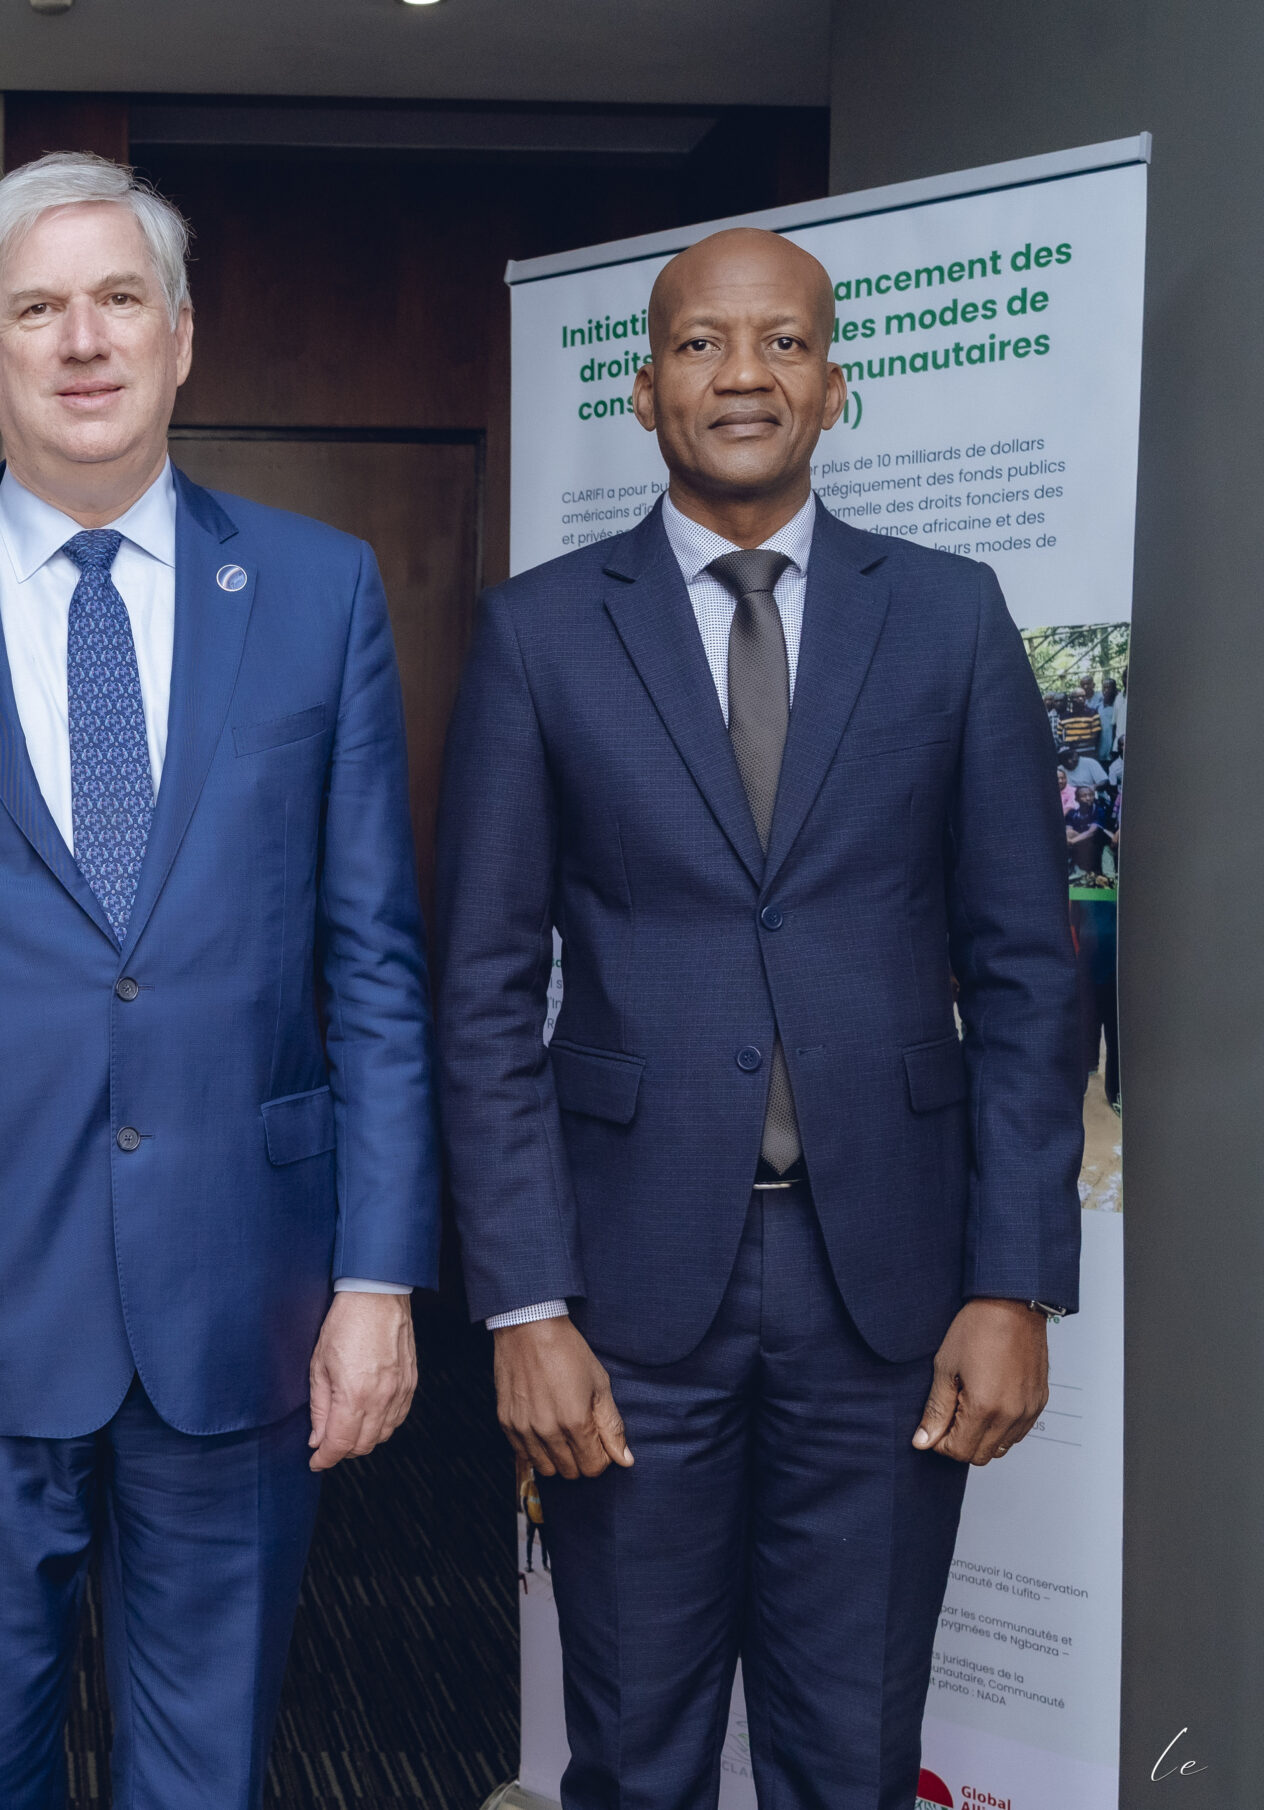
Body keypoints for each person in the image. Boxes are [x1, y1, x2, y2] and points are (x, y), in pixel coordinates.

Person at [0, 153, 437, 1807]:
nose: (83, 339)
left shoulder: (321, 590)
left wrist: (380, 1277)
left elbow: (374, 966)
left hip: (246, 1299)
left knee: (208, 1770)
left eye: (120, 298)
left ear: (181, 338)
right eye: (38, 308)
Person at [435, 227, 1080, 1810]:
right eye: (702, 344)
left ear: (835, 386)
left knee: (849, 1757)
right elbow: (483, 989)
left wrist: (1013, 1279)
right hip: (624, 1295)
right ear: (645, 388)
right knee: (635, 1753)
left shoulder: (951, 618)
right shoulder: (538, 632)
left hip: (892, 1298)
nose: (743, 374)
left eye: (783, 342)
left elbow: (1026, 971)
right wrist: (524, 1306)